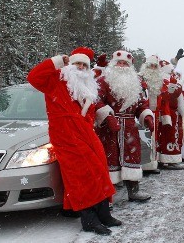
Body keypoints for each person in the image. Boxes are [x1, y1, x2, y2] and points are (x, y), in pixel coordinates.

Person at [27, 46, 121, 236]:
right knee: (81, 174)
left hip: (86, 131)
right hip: (65, 133)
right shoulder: (56, 79)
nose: (80, 67)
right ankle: (89, 218)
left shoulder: (88, 87)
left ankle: (103, 213)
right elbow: (33, 77)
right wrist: (57, 61)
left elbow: (91, 112)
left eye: (84, 65)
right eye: (76, 63)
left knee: (100, 167)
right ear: (70, 64)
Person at [95, 50, 154, 202]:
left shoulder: (137, 82)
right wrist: (107, 115)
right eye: (119, 63)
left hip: (129, 127)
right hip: (109, 127)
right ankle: (106, 196)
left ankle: (133, 190)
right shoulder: (103, 81)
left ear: (130, 66)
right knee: (110, 158)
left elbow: (141, 103)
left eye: (125, 63)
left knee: (132, 156)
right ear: (113, 64)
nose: (122, 66)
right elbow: (97, 101)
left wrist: (146, 115)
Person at [157, 49, 184, 170]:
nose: (173, 73)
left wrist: (176, 60)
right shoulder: (164, 81)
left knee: (170, 136)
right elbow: (174, 92)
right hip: (168, 112)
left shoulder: (168, 78)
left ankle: (167, 158)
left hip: (171, 112)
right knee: (169, 136)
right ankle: (170, 159)